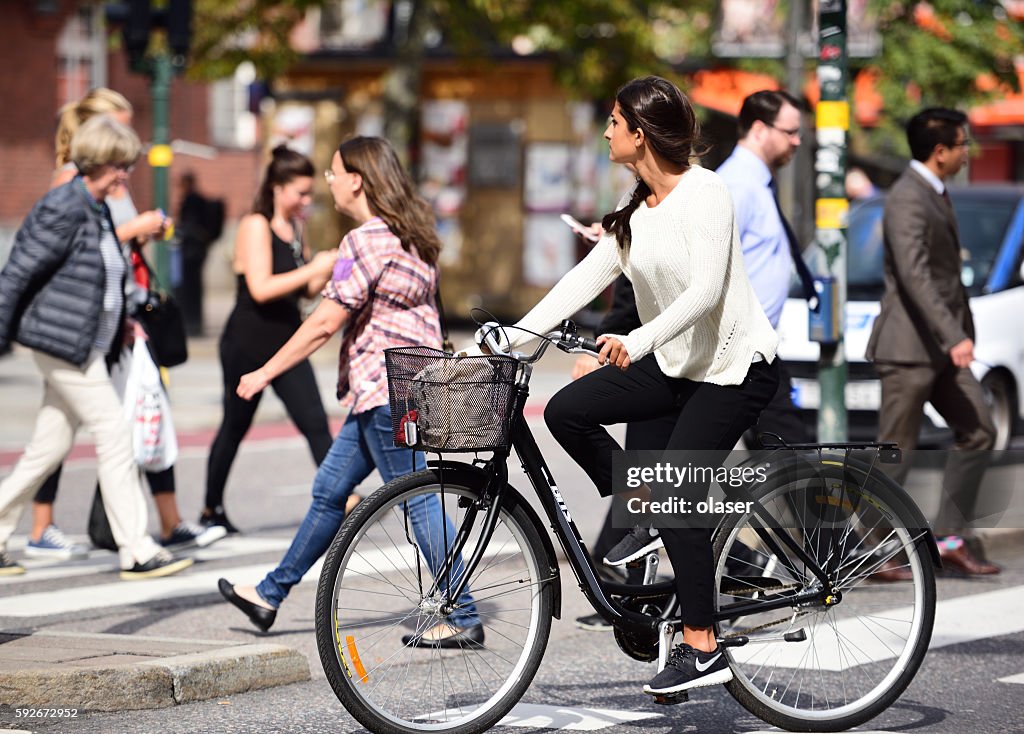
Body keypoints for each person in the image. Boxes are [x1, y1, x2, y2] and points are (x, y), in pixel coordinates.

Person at [504, 76, 779, 696]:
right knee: (568, 412)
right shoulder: (635, 213)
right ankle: (645, 507)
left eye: (613, 122)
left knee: (675, 496)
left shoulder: (707, 193)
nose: (605, 132)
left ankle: (702, 645)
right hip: (677, 365)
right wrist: (504, 339)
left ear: (642, 133)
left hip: (734, 368)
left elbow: (706, 290)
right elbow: (582, 280)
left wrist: (638, 340)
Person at [218, 136, 482, 646]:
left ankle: (464, 613)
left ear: (356, 179)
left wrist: (264, 372)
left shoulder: (363, 241)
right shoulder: (415, 235)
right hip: (406, 387)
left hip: (385, 390)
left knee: (419, 500)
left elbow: (324, 323)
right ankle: (269, 594)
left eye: (334, 172)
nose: (329, 182)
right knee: (329, 493)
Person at [27, 87, 223, 560]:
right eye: (120, 124)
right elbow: (73, 249)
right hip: (88, 325)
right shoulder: (72, 183)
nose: (128, 139)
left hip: (122, 316)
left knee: (132, 414)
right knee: (99, 428)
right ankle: (128, 541)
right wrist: (134, 231)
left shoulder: (114, 179)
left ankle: (157, 528)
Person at [0, 115, 192, 579]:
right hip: (63, 343)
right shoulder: (64, 205)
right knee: (113, 430)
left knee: (49, 447)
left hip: (87, 342)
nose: (127, 173)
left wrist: (121, 321)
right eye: (121, 165)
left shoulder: (97, 205)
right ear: (100, 163)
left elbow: (103, 271)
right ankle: (137, 549)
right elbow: (18, 271)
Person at [866, 107, 998, 576]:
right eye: (963, 145)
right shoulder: (907, 197)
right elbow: (915, 275)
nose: (968, 153)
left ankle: (951, 538)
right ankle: (870, 551)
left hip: (937, 349)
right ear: (940, 151)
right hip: (908, 348)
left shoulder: (934, 192)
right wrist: (954, 334)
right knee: (894, 452)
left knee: (980, 429)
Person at [200, 146, 336, 533]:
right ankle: (211, 508)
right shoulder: (254, 225)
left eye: (310, 193)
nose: (306, 201)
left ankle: (342, 499)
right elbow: (260, 288)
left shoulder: (296, 227)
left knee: (314, 420)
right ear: (277, 188)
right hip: (248, 341)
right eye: (300, 192)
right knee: (235, 424)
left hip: (288, 339)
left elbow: (306, 291)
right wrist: (313, 266)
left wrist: (327, 269)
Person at [716, 90, 816, 450]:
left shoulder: (756, 185)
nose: (797, 141)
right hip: (741, 351)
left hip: (756, 349)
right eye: (789, 132)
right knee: (793, 460)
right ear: (760, 129)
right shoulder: (738, 187)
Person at [176, 171, 224, 337]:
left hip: (191, 250)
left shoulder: (191, 200)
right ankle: (194, 322)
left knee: (190, 287)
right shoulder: (199, 199)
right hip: (198, 249)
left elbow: (188, 225)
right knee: (194, 287)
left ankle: (192, 323)